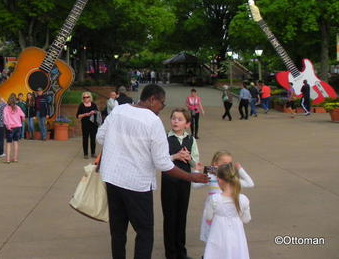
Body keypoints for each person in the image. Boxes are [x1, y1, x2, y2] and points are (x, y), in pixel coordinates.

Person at [96, 84, 209, 259]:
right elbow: (163, 163)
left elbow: (100, 137)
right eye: (162, 104)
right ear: (152, 100)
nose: (161, 108)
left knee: (118, 231)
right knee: (144, 232)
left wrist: (120, 145)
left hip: (113, 180)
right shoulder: (152, 121)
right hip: (137, 185)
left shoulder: (119, 110)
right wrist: (191, 177)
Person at [193, 150, 254, 245]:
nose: (227, 167)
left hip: (227, 211)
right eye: (224, 163)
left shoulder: (232, 179)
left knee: (227, 237)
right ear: (215, 164)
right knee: (211, 237)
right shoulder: (210, 175)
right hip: (212, 210)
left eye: (230, 164)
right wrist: (196, 171)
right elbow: (195, 185)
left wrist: (240, 170)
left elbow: (250, 184)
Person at [161, 108, 199, 259]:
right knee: (170, 218)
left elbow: (196, 163)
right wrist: (175, 156)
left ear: (187, 124)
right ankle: (170, 254)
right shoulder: (164, 138)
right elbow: (160, 160)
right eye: (173, 118)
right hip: (169, 183)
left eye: (180, 119)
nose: (175, 121)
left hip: (184, 183)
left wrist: (188, 157)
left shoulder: (191, 140)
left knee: (182, 217)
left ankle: (181, 252)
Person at [203, 163, 251, 259]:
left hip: (218, 236)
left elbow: (208, 217)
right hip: (237, 237)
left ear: (219, 180)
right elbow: (246, 219)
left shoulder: (214, 199)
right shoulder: (243, 199)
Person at [3, 94, 25, 163]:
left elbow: (5, 119)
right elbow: (23, 116)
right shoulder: (18, 108)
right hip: (18, 127)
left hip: (10, 128)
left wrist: (7, 126)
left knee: (8, 143)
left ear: (8, 101)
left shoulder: (6, 108)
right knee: (16, 142)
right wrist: (20, 120)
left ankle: (8, 159)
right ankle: (15, 158)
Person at [76, 92, 99, 159]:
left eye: (87, 97)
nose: (86, 98)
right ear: (83, 98)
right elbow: (78, 115)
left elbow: (97, 112)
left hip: (93, 124)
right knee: (85, 139)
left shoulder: (93, 104)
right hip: (85, 124)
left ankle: (93, 153)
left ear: (90, 97)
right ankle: (85, 154)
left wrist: (94, 112)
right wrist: (85, 114)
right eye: (84, 97)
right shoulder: (81, 105)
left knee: (93, 139)